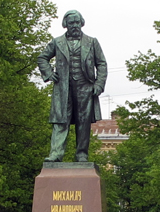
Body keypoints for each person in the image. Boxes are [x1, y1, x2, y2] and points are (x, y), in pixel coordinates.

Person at [37, 10, 107, 162]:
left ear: (81, 23)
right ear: (65, 25)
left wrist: (99, 84)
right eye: (71, 23)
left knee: (83, 122)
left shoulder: (92, 42)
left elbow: (101, 63)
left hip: (85, 87)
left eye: (77, 22)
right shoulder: (57, 42)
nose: (75, 26)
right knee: (60, 121)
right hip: (63, 88)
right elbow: (42, 58)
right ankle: (56, 154)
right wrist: (48, 74)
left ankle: (81, 154)